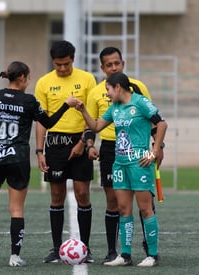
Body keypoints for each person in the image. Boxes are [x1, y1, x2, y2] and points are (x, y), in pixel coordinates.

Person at [0, 61, 79, 267]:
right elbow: (48, 123)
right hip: (18, 159)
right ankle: (14, 256)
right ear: (22, 77)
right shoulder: (29, 101)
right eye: (28, 77)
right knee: (16, 209)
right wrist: (66, 105)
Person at [75, 72, 167, 267]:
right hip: (120, 163)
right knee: (123, 209)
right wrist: (82, 109)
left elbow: (161, 124)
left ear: (118, 87)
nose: (107, 94)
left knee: (145, 209)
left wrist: (154, 151)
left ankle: (152, 254)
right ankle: (125, 255)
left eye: (108, 89)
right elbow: (97, 126)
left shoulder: (140, 102)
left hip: (139, 163)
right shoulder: (114, 108)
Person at [34, 40, 97, 263]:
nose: (62, 68)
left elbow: (92, 114)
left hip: (79, 140)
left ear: (73, 59)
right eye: (58, 64)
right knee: (57, 196)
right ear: (53, 62)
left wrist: (83, 142)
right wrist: (39, 151)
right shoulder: (43, 83)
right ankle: (55, 248)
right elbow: (41, 121)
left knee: (82, 194)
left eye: (66, 64)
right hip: (55, 144)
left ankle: (86, 248)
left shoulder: (87, 79)